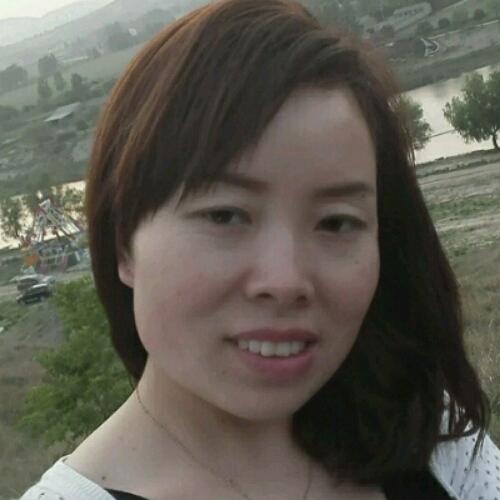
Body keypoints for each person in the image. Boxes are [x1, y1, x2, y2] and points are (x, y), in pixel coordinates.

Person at [21, 0, 500, 499]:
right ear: (124, 243)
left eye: (337, 222)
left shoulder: (433, 442)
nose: (285, 281)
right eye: (225, 216)